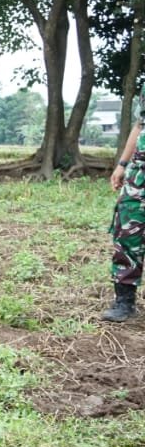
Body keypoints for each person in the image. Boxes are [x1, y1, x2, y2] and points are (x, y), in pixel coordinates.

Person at [104, 109, 145, 321]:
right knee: (127, 233)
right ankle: (124, 302)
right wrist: (122, 164)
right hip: (139, 174)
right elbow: (140, 125)